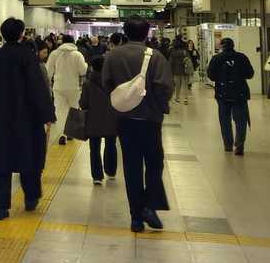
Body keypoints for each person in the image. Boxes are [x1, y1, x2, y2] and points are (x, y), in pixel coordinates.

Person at [101, 18, 174, 233]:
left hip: (125, 120)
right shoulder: (156, 56)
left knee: (131, 167)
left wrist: (122, 100)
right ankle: (149, 206)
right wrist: (160, 107)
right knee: (154, 164)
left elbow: (106, 83)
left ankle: (136, 217)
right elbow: (164, 87)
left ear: (125, 32)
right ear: (146, 33)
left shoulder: (113, 56)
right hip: (150, 120)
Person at [0, 16, 55, 219]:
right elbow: (37, 87)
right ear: (22, 34)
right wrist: (47, 113)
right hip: (27, 118)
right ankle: (31, 198)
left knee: (1, 160)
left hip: (0, 118)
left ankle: (0, 207)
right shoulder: (28, 56)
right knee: (29, 158)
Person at [208, 38, 256, 155]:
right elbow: (250, 74)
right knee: (240, 121)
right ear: (233, 46)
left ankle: (228, 145)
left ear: (221, 46)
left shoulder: (216, 58)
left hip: (222, 93)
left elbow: (211, 76)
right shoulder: (242, 57)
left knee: (225, 120)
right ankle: (239, 145)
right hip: (239, 93)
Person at [79, 54, 119, 185]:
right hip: (111, 119)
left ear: (92, 67)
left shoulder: (87, 83)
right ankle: (111, 171)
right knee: (111, 145)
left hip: (93, 121)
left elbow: (83, 104)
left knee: (94, 149)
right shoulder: (113, 82)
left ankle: (97, 176)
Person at [48, 35, 88, 148]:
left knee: (60, 111)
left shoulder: (54, 54)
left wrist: (49, 83)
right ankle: (71, 133)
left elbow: (48, 71)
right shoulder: (77, 54)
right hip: (73, 87)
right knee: (73, 110)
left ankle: (63, 134)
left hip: (58, 86)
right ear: (73, 42)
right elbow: (83, 70)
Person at [169, 37, 193, 104]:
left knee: (177, 86)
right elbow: (189, 61)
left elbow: (171, 63)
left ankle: (177, 98)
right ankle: (185, 98)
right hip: (185, 71)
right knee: (185, 85)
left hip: (176, 71)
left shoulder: (173, 53)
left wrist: (170, 72)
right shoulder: (185, 52)